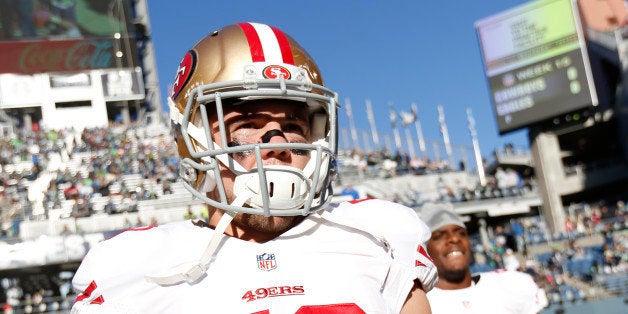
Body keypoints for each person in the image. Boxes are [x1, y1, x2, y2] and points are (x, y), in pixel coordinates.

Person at [71, 22, 438, 313]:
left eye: (293, 127)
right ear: (194, 140)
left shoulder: (378, 236)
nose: (277, 145)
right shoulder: (134, 268)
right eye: (246, 125)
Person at [420, 202, 548, 314]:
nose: (454, 239)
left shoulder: (511, 284)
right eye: (439, 236)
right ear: (425, 248)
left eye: (460, 233)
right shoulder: (417, 304)